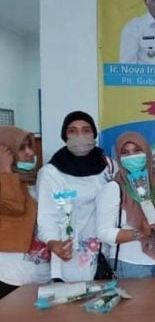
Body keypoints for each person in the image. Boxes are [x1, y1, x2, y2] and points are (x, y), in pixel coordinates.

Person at [37, 111, 115, 282]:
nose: (80, 136)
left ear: (94, 134)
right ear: (64, 136)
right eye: (72, 131)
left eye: (86, 130)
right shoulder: (51, 172)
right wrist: (53, 243)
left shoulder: (108, 166)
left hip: (105, 252)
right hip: (68, 251)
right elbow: (46, 216)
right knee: (72, 295)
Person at [96, 132, 155, 278]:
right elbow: (103, 233)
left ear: (147, 152)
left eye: (137, 150)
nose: (132, 156)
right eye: (125, 153)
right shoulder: (114, 188)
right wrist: (140, 233)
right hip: (129, 263)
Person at [0, 127, 49, 298]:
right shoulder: (5, 182)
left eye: (30, 146)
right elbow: (13, 207)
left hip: (42, 274)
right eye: (22, 148)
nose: (30, 153)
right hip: (10, 276)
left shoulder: (39, 180)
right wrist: (5, 170)